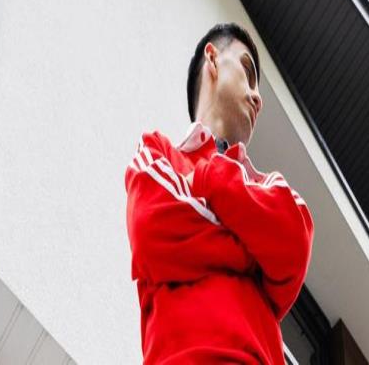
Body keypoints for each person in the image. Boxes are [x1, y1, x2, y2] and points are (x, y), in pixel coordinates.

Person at [124, 22, 314, 364]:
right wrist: (254, 254)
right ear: (212, 59)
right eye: (247, 70)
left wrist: (209, 176)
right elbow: (151, 231)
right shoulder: (156, 154)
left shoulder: (269, 185)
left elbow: (294, 248)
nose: (258, 98)